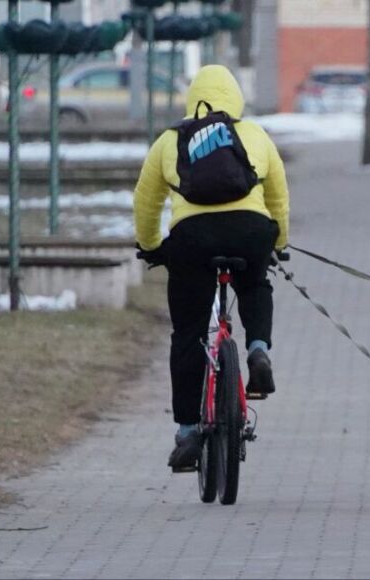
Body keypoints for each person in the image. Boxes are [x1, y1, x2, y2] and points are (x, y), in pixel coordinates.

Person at [133, 65, 289, 470]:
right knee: (254, 285)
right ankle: (258, 350)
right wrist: (278, 244)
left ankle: (187, 431)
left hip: (193, 239)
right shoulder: (254, 134)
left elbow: (146, 201)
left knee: (188, 333)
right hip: (250, 232)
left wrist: (150, 247)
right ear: (236, 98)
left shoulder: (170, 140)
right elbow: (278, 197)